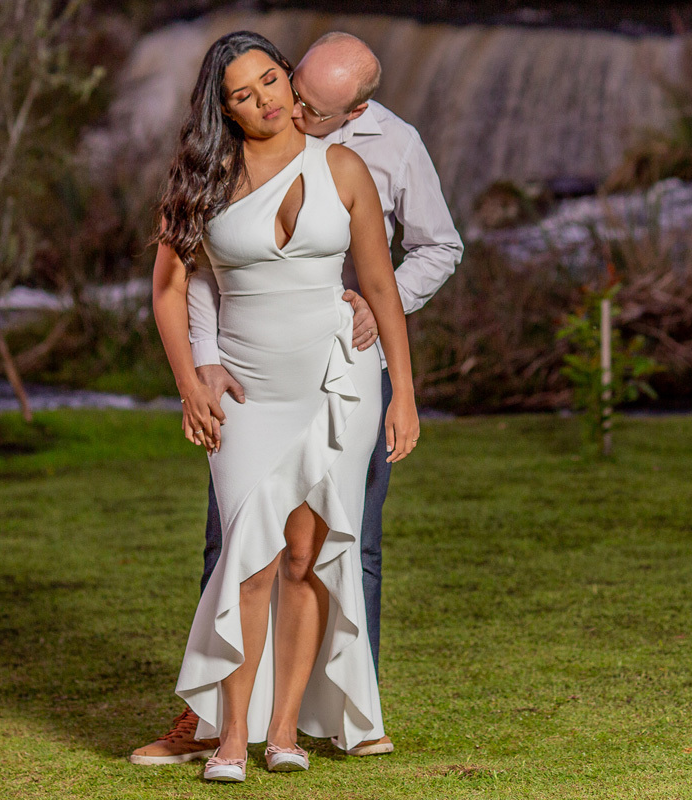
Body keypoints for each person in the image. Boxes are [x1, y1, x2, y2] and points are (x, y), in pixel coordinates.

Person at [132, 31, 463, 766]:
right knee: (246, 556)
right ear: (224, 108)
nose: (266, 101)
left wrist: (404, 396)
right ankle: (227, 735)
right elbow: (171, 289)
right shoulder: (203, 177)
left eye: (270, 82)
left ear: (287, 78)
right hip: (248, 390)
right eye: (242, 94)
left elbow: (381, 288)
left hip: (336, 381)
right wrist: (192, 380)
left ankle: (285, 732)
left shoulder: (348, 165)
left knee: (308, 557)